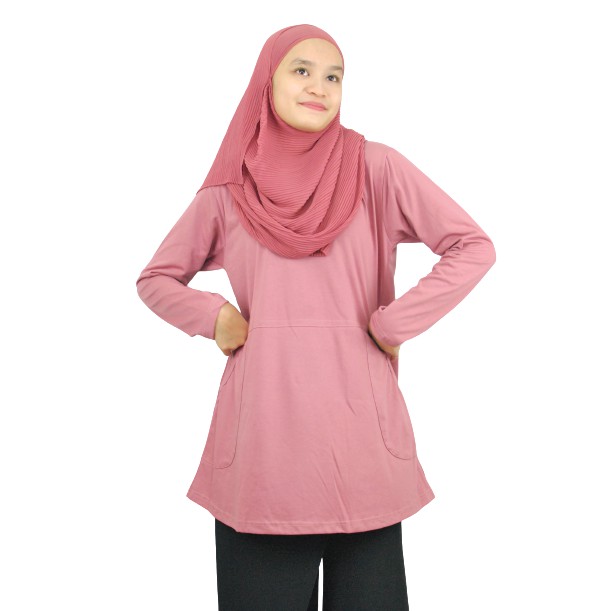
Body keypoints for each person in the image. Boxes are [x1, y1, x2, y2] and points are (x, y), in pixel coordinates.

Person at [135, 23, 496, 610]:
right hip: (266, 444)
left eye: (334, 76)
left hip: (358, 442)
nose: (320, 87)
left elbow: (472, 246)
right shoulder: (231, 189)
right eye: (301, 70)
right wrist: (214, 315)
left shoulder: (374, 168)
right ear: (266, 81)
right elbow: (156, 279)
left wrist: (394, 323)